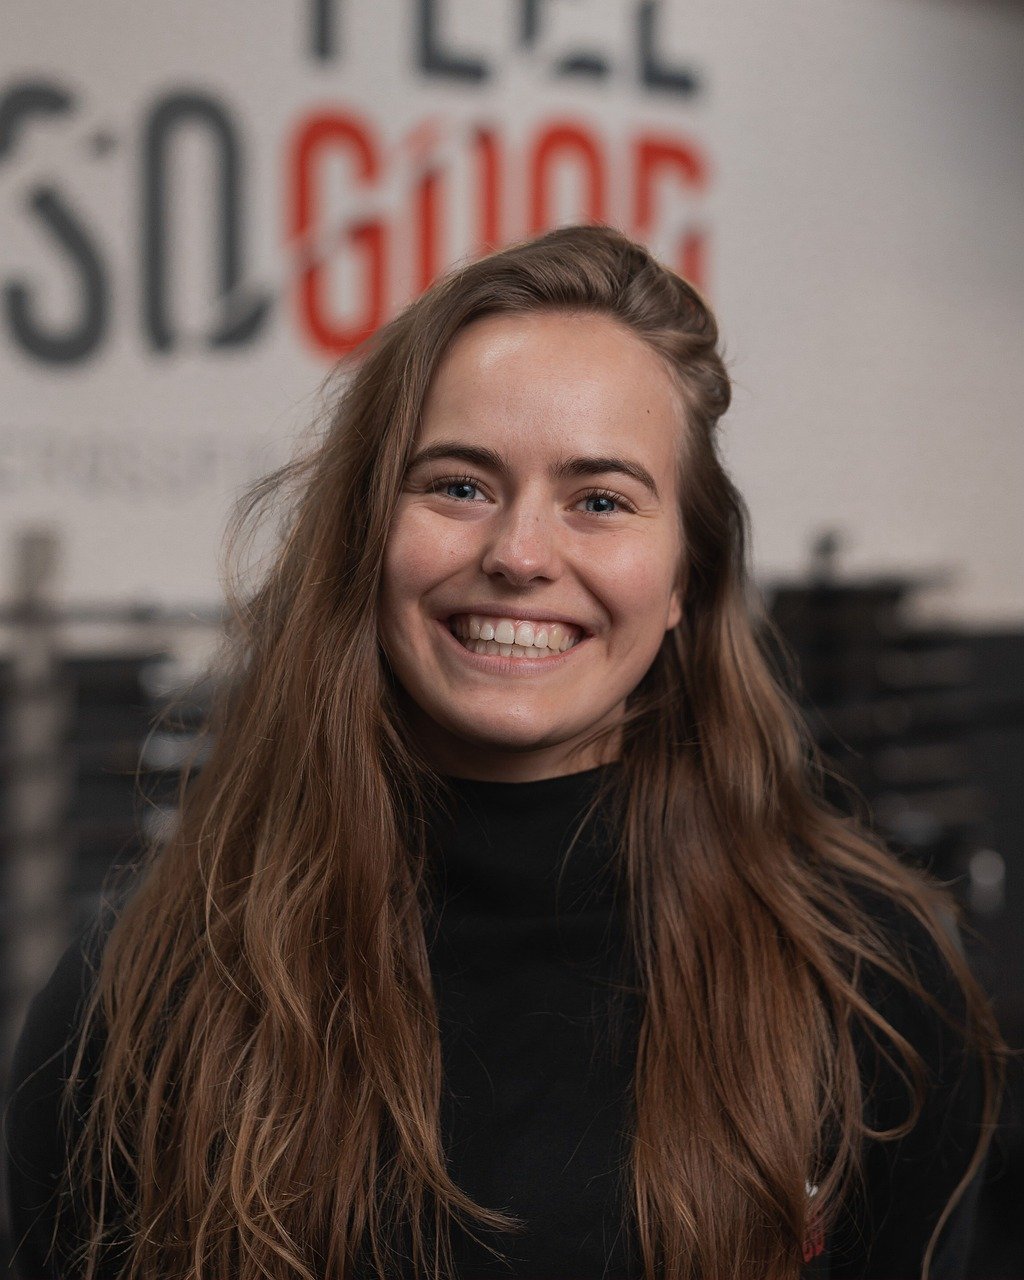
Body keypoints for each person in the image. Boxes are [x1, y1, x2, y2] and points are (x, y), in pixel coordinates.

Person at [4, 224, 1009, 1280]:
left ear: (684, 579)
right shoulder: (140, 993)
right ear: (364, 533)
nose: (520, 554)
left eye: (600, 500)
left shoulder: (867, 982)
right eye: (459, 486)